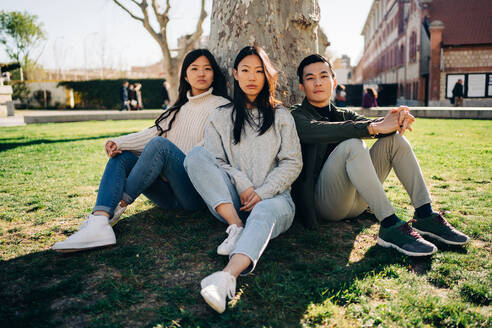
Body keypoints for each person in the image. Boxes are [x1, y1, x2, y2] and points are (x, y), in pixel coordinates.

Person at [290, 54, 469, 257]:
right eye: (310, 78)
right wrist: (374, 126)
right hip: (326, 205)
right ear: (301, 86)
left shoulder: (343, 114)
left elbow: (375, 125)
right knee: (352, 144)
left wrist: (395, 119)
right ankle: (390, 224)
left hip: (357, 202)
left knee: (394, 141)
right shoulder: (296, 116)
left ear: (334, 81)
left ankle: (425, 215)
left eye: (323, 76)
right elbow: (323, 130)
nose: (318, 82)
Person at [52, 49, 230, 253]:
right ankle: (99, 222)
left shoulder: (222, 106)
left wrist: (167, 164)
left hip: (193, 193)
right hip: (167, 196)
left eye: (207, 69)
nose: (201, 73)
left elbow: (208, 149)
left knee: (159, 146)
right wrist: (119, 142)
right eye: (195, 68)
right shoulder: (176, 109)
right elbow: (154, 132)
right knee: (123, 156)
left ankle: (119, 205)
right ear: (185, 75)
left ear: (214, 73)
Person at [184, 46, 302, 313]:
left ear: (267, 76)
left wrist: (262, 192)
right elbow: (215, 161)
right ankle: (236, 228)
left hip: (274, 202)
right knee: (196, 156)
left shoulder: (282, 116)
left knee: (263, 209)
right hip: (232, 204)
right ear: (235, 74)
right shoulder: (220, 116)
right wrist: (243, 185)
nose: (252, 77)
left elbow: (292, 162)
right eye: (245, 70)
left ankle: (225, 278)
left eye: (259, 71)